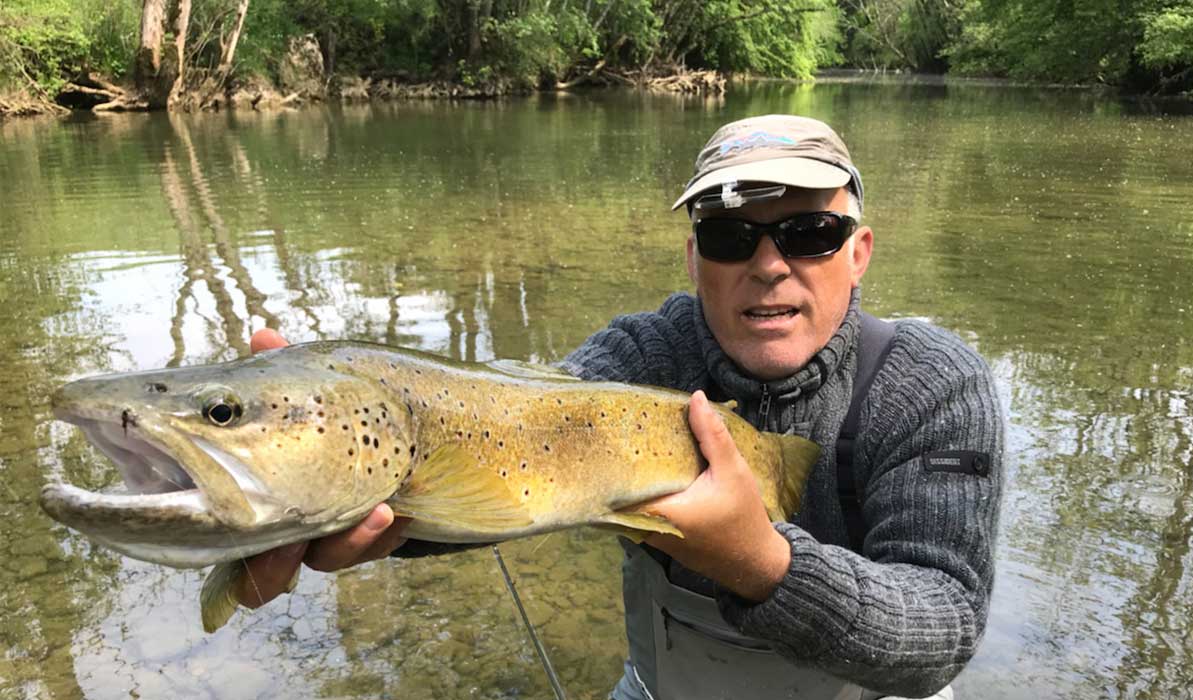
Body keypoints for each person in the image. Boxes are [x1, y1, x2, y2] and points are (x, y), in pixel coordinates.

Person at [241, 114, 1004, 700]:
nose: (769, 266)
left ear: (860, 251)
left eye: (810, 234)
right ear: (693, 257)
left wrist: (762, 565)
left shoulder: (933, 387)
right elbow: (509, 461)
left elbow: (943, 627)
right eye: (731, 237)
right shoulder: (642, 358)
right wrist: (356, 491)